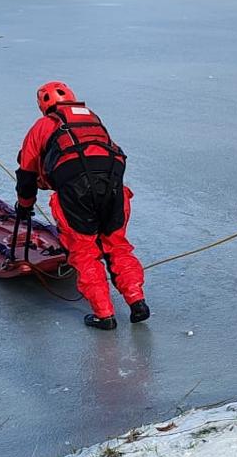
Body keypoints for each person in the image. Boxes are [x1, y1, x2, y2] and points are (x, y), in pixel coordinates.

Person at [15, 81, 149, 330]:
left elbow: (26, 171)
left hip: (76, 190)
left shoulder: (44, 125)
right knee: (116, 246)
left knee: (84, 251)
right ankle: (137, 301)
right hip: (113, 186)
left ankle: (104, 315)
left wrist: (25, 205)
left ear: (43, 105)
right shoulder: (92, 119)